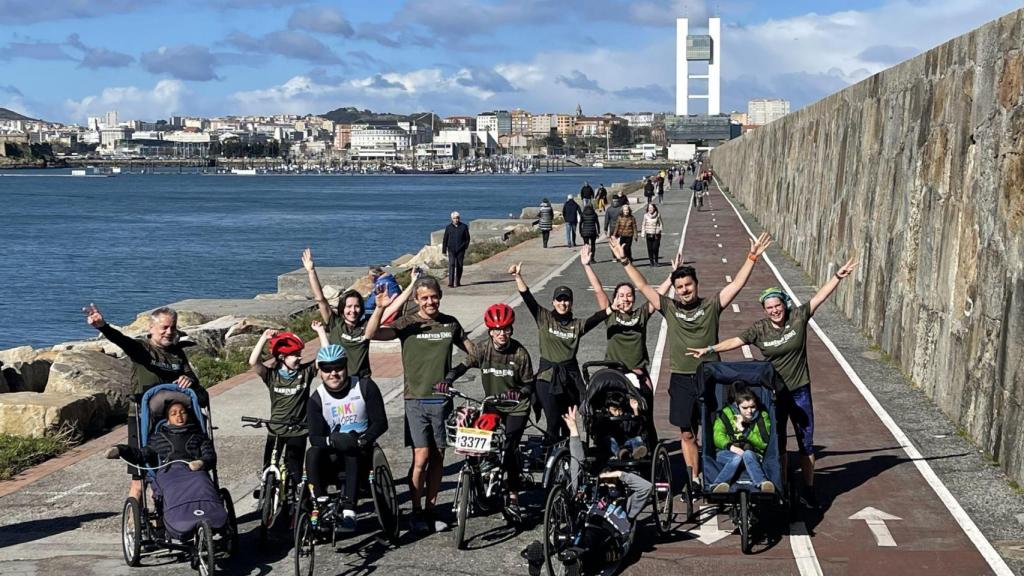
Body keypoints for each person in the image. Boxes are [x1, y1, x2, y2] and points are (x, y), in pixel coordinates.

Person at [608, 231, 773, 492]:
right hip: (681, 378)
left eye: (688, 285)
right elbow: (642, 287)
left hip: (711, 376)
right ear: (675, 289)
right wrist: (625, 261)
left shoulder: (711, 305)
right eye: (680, 287)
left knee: (713, 430)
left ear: (696, 284)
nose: (684, 290)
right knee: (687, 434)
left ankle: (717, 475)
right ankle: (694, 479)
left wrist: (752, 257)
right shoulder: (669, 307)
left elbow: (736, 285)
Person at [689, 258, 857, 507]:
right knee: (777, 442)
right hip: (775, 392)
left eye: (777, 306)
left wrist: (838, 276)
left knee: (806, 442)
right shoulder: (760, 329)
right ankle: (781, 485)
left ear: (784, 305)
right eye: (769, 308)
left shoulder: (798, 317)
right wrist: (710, 348)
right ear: (764, 310)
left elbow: (819, 297)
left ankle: (809, 490)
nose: (774, 311)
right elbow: (736, 341)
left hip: (799, 389)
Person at [365, 275, 473, 532]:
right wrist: (380, 308)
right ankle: (415, 510)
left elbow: (475, 353)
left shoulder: (450, 324)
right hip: (415, 400)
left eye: (433, 297)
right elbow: (370, 334)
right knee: (421, 456)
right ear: (416, 300)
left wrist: (453, 374)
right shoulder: (407, 323)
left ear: (440, 297)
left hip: (442, 402)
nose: (430, 302)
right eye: (424, 297)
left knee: (438, 457)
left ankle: (430, 509)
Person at [84, 303, 203, 501]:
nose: (168, 332)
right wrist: (102, 326)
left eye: (172, 327)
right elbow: (121, 340)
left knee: (167, 474)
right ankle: (134, 523)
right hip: (141, 417)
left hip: (170, 422)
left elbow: (194, 382)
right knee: (140, 479)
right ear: (151, 328)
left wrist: (189, 380)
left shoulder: (177, 353)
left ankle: (165, 520)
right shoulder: (141, 349)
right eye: (164, 327)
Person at [436, 303, 533, 518]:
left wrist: (519, 393)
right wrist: (448, 379)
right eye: (497, 330)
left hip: (516, 407)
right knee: (480, 438)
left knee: (509, 448)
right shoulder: (482, 349)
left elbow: (529, 384)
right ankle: (486, 473)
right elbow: (462, 365)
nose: (501, 334)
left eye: (506, 329)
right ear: (490, 331)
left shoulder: (520, 353)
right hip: (492, 402)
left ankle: (514, 495)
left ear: (511, 330)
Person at [510, 262, 607, 442]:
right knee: (553, 422)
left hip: (570, 378)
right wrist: (518, 276)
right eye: (559, 299)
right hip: (547, 379)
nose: (563, 303)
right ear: (553, 302)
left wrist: (612, 308)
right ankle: (550, 461)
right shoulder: (544, 317)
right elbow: (528, 298)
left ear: (571, 303)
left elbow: (596, 318)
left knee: (571, 421)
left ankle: (570, 459)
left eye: (566, 299)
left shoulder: (576, 325)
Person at [305, 344, 388, 533]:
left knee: (351, 450)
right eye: (327, 369)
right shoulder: (317, 399)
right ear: (320, 372)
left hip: (361, 448)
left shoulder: (364, 386)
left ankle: (350, 508)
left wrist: (364, 439)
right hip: (333, 451)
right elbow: (315, 437)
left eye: (338, 367)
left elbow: (381, 422)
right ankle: (321, 501)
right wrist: (332, 441)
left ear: (346, 367)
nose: (333, 373)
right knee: (312, 453)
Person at [579, 245, 672, 384]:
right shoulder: (610, 313)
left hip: (638, 371)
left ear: (634, 299)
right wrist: (587, 265)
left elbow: (657, 295)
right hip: (615, 372)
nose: (625, 299)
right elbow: (598, 290)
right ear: (615, 297)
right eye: (621, 295)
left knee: (646, 401)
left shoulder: (641, 313)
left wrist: (672, 277)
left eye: (629, 295)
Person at [247, 328, 315, 498]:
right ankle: (267, 492)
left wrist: (320, 331)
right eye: (295, 355)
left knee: (295, 469)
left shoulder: (304, 373)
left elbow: (324, 358)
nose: (299, 357)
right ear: (282, 358)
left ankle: (300, 500)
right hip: (276, 428)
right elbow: (253, 362)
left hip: (298, 429)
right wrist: (263, 338)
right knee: (269, 466)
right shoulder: (272, 376)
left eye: (300, 354)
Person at [303, 248, 377, 377]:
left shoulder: (365, 326)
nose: (352, 311)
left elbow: (383, 311)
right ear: (342, 308)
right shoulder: (335, 323)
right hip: (338, 380)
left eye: (356, 306)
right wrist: (311, 271)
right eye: (348, 307)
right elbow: (320, 299)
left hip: (361, 381)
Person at [710, 385, 773, 493]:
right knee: (736, 457)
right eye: (745, 408)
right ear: (737, 406)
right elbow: (717, 436)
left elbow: (763, 442)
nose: (750, 411)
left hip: (753, 454)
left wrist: (745, 431)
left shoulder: (762, 416)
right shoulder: (726, 414)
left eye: (753, 407)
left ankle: (762, 483)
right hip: (727, 452)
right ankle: (717, 485)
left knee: (747, 454)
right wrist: (730, 447)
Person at [599, 391, 647, 460]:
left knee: (637, 439)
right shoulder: (605, 418)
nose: (618, 413)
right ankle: (622, 453)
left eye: (620, 410)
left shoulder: (627, 415)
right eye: (614, 410)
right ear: (608, 409)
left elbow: (636, 428)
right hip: (614, 444)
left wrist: (635, 410)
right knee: (609, 439)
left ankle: (636, 451)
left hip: (627, 441)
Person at [442, 211, 471, 288]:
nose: (456, 219)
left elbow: (467, 238)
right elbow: (445, 239)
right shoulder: (448, 227)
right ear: (452, 219)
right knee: (451, 264)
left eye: (457, 218)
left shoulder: (464, 227)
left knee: (459, 265)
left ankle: (457, 281)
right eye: (454, 218)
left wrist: (465, 246)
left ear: (459, 218)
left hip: (461, 249)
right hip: (451, 249)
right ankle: (450, 283)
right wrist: (444, 250)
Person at [642, 203, 663, 267]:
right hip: (649, 234)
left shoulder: (658, 215)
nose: (650, 209)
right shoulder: (645, 216)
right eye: (649, 208)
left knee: (655, 248)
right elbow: (643, 224)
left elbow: (661, 223)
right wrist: (643, 232)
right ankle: (651, 262)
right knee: (650, 249)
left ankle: (656, 261)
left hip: (656, 234)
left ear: (654, 208)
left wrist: (659, 230)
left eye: (651, 208)